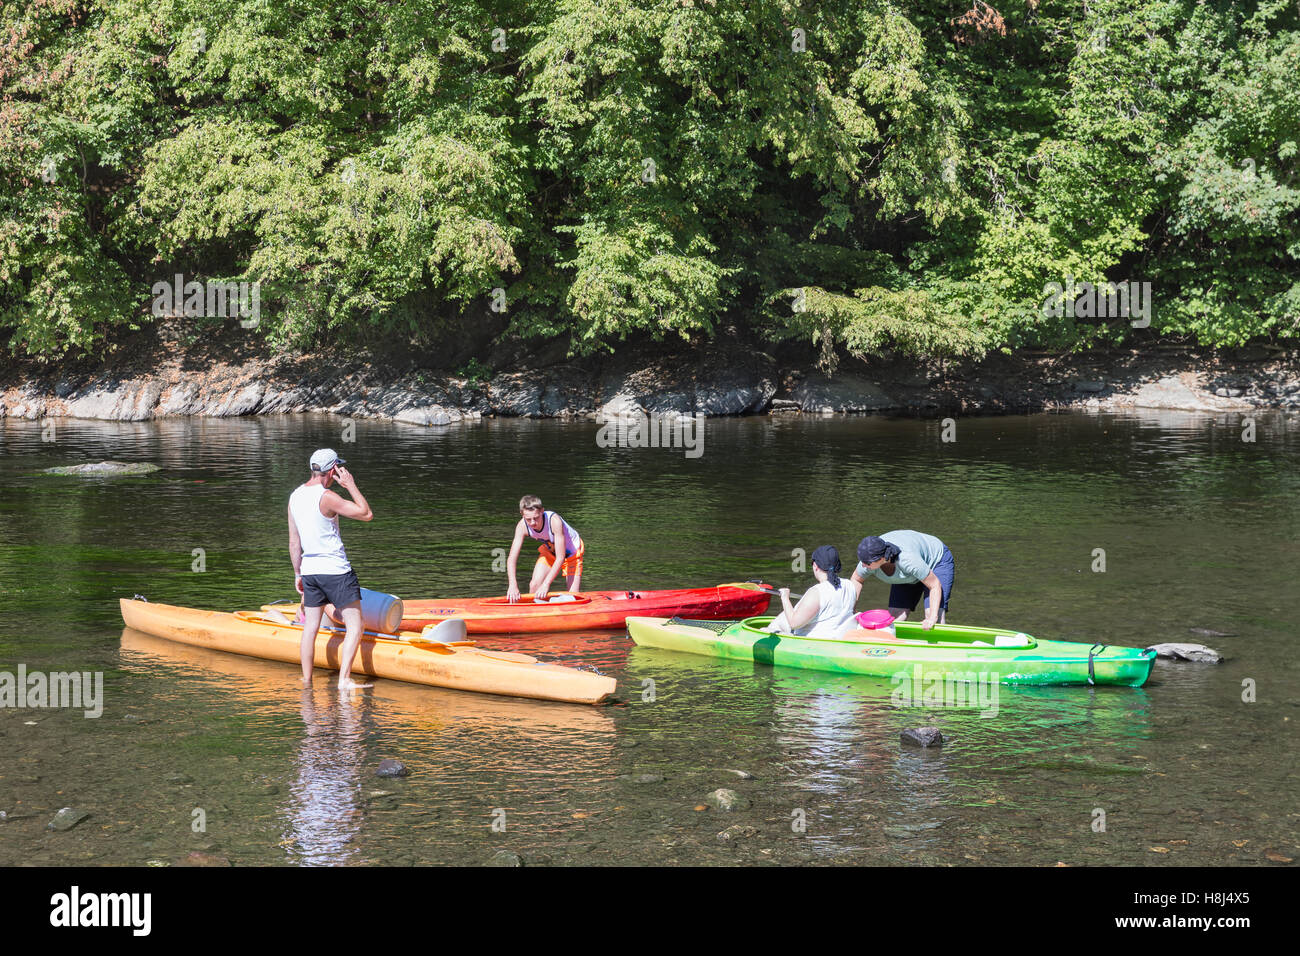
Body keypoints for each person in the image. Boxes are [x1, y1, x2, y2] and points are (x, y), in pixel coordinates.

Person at [288, 449, 374, 690]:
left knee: (311, 627)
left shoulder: (295, 496)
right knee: (356, 625)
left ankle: (306, 681)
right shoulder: (327, 496)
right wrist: (350, 485)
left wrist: (298, 574)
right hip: (335, 570)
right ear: (333, 469)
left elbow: (294, 541)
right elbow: (366, 514)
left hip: (310, 570)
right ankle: (344, 680)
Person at [851, 530, 955, 630]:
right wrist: (851, 609)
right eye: (862, 561)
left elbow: (934, 585)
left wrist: (933, 618)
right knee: (895, 619)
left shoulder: (907, 560)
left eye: (867, 563)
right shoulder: (867, 561)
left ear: (882, 558)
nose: (863, 566)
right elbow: (856, 580)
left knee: (933, 618)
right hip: (910, 570)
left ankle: (937, 646)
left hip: (936, 561)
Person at [766, 545, 862, 638]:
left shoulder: (816, 592)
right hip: (839, 634)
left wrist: (785, 597)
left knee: (766, 629)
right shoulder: (850, 585)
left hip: (814, 641)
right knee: (783, 616)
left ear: (815, 566)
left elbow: (793, 623)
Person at [506, 495, 583, 603]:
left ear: (542, 511)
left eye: (536, 518)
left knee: (573, 597)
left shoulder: (554, 521)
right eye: (528, 519)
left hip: (572, 552)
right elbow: (511, 558)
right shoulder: (522, 526)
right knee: (534, 586)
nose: (533, 523)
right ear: (522, 514)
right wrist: (512, 585)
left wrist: (546, 584)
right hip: (550, 550)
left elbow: (561, 558)